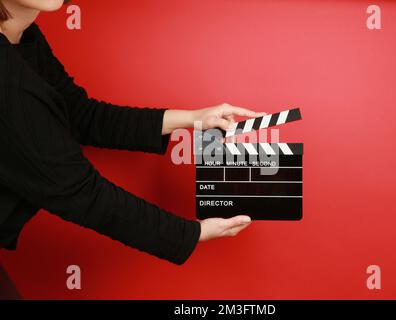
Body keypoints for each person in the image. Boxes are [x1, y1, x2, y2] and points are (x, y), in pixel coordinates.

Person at [0, 0, 264, 273]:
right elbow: (76, 189)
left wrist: (193, 118)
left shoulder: (24, 37)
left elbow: (81, 115)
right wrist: (191, 233)